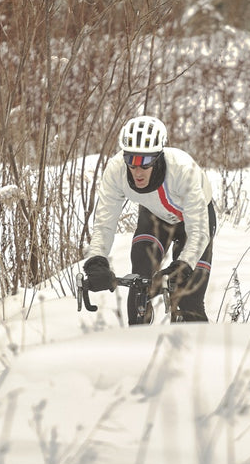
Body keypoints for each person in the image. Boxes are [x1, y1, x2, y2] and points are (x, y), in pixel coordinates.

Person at [82, 115, 215, 324]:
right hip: (155, 218)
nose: (137, 171)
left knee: (188, 299)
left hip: (195, 224)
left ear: (158, 157)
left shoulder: (182, 169)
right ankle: (138, 343)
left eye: (145, 162)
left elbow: (198, 232)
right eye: (131, 162)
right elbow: (104, 225)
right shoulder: (116, 170)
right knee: (139, 283)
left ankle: (197, 348)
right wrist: (96, 261)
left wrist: (184, 265)